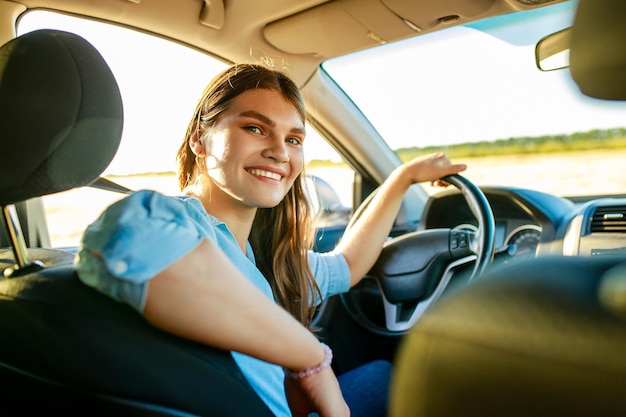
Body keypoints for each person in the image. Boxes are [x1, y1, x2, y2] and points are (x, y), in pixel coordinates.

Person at [75, 62, 466, 417]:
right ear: (200, 140)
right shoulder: (187, 222)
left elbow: (346, 266)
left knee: (383, 374)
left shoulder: (263, 256)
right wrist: (311, 359)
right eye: (255, 128)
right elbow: (128, 234)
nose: (280, 152)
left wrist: (401, 179)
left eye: (294, 139)